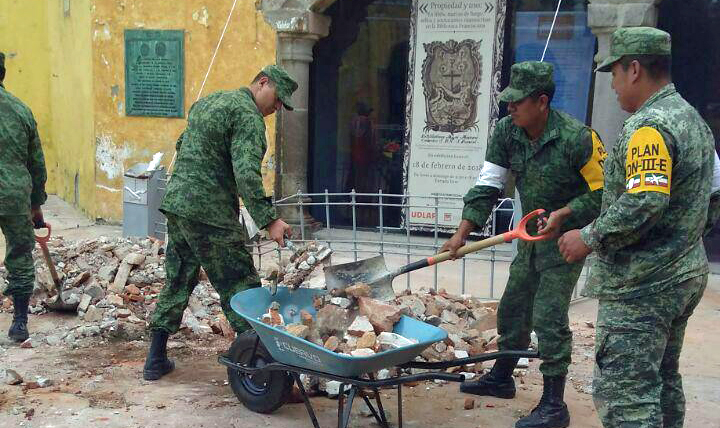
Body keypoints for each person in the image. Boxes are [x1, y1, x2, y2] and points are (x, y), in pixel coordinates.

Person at [558, 27, 719, 428]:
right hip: (682, 274)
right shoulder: (692, 120)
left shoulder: (650, 127)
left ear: (633, 69)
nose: (612, 86)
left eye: (613, 74)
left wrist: (589, 237)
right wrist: (684, 239)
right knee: (662, 381)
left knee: (626, 394)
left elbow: (644, 199)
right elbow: (714, 193)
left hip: (643, 285)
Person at [441, 61, 607, 428]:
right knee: (513, 308)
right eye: (509, 101)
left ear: (542, 101)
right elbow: (489, 184)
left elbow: (605, 192)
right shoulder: (507, 132)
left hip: (564, 243)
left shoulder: (577, 138)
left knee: (548, 317)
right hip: (529, 240)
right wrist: (462, 232)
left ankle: (553, 404)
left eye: (518, 102)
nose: (510, 107)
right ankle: (501, 378)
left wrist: (566, 212)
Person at [143, 65, 297, 381]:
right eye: (278, 99)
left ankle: (155, 359)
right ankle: (262, 373)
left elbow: (183, 146)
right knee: (241, 285)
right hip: (209, 211)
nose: (277, 108)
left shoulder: (209, 102)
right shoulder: (248, 117)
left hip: (178, 203)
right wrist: (270, 220)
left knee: (178, 278)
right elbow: (245, 173)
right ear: (263, 83)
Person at [0, 51, 48, 343]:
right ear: (3, 74)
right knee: (19, 256)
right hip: (15, 195)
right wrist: (36, 203)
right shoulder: (20, 110)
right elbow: (37, 163)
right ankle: (19, 323)